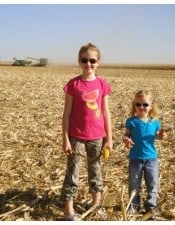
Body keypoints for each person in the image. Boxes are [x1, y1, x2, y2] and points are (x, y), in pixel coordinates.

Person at [60, 43, 113, 220]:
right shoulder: (73, 84)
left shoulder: (102, 84)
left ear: (98, 62)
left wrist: (109, 139)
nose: (88, 63)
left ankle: (96, 206)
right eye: (85, 60)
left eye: (92, 60)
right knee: (73, 172)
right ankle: (69, 212)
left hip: (97, 137)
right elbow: (66, 112)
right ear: (79, 61)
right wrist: (65, 138)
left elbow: (106, 112)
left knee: (95, 171)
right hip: (76, 137)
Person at [123, 90, 166, 215]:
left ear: (151, 106)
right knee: (134, 184)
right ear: (134, 105)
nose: (142, 107)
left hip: (151, 158)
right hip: (135, 158)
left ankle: (150, 206)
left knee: (152, 184)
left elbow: (158, 136)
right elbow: (126, 135)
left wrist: (162, 135)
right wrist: (126, 140)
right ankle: (133, 206)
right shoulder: (131, 121)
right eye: (138, 104)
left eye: (145, 105)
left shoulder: (154, 122)